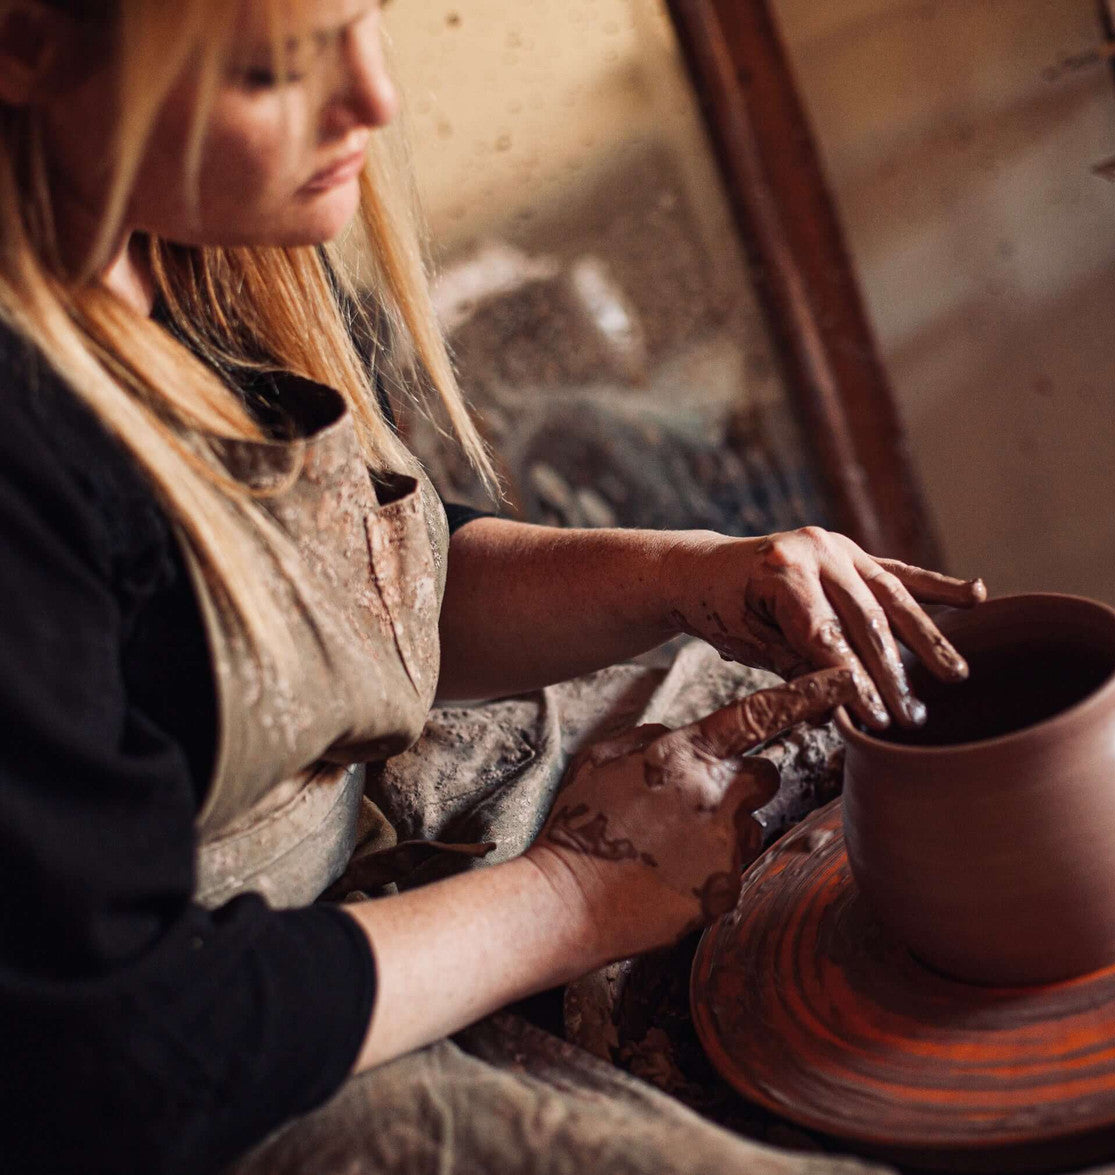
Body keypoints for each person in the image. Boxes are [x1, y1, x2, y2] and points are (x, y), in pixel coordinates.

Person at [0, 1, 986, 1172]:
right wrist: (576, 894)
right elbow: (114, 1055)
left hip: (333, 838)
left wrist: (686, 572)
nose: (376, 98)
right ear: (23, 43)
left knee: (851, 722)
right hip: (187, 1043)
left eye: (363, 20)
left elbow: (357, 602)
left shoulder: (193, 246)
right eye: (280, 69)